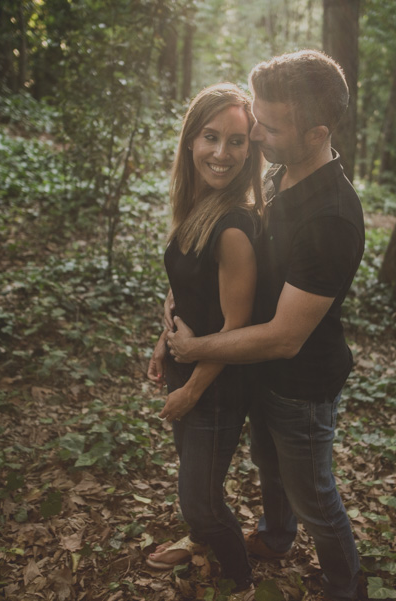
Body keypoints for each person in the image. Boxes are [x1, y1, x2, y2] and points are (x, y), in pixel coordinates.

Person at [167, 50, 364, 601]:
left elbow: (285, 336)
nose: (254, 134)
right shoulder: (281, 173)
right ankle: (276, 538)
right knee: (268, 467)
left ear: (316, 133)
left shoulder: (331, 218)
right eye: (257, 118)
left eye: (269, 128)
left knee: (313, 496)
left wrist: (196, 349)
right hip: (256, 367)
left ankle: (346, 586)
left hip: (301, 385)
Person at [145, 83, 264, 593]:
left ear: (251, 149)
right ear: (191, 140)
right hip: (185, 367)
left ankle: (240, 580)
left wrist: (191, 390)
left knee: (200, 499)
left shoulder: (234, 227)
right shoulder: (198, 203)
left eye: (237, 141)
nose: (222, 152)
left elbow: (236, 328)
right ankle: (198, 541)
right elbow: (187, 282)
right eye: (211, 137)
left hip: (215, 386)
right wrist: (164, 337)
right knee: (195, 480)